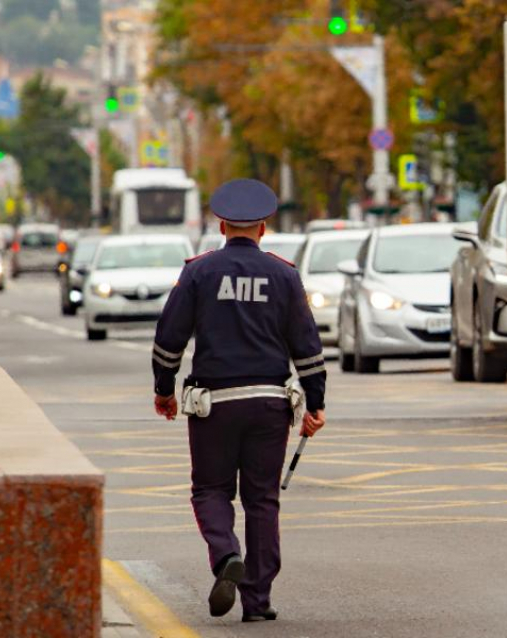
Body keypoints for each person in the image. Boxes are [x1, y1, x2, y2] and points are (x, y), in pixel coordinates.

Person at [151, 178, 327, 622]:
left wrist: (163, 388)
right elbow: (306, 345)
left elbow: (169, 338)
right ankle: (258, 599)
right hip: (270, 402)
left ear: (222, 224)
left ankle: (227, 553)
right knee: (262, 499)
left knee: (210, 489)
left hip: (215, 404)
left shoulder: (198, 272)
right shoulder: (284, 275)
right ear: (263, 228)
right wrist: (316, 402)